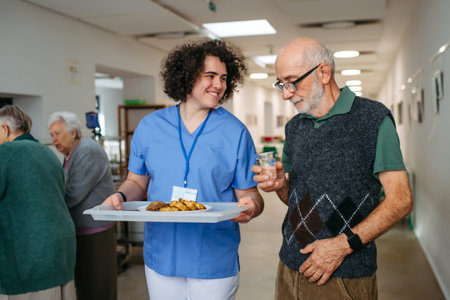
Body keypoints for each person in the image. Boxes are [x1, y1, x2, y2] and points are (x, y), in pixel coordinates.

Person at [252, 37, 413, 300]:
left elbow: (401, 200)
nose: (286, 93)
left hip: (342, 273)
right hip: (289, 265)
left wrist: (341, 246)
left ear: (324, 72)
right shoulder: (294, 128)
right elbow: (297, 203)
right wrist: (282, 186)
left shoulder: (373, 120)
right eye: (281, 84)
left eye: (292, 82)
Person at [103, 39, 264, 300]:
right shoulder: (150, 127)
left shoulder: (235, 133)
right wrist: (120, 197)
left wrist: (251, 206)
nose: (219, 85)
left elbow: (250, 194)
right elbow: (136, 182)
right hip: (162, 253)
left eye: (224, 78)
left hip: (213, 254)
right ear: (187, 76)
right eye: (210, 76)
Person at [0, 105, 76, 299]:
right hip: (61, 250)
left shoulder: (6, 152)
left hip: (31, 254)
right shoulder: (47, 152)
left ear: (4, 129)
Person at [48, 111, 117, 300]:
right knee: (85, 285)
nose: (54, 139)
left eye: (57, 133)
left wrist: (48, 210)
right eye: (51, 135)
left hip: (95, 231)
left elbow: (73, 193)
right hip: (82, 230)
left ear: (73, 132)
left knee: (98, 285)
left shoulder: (87, 150)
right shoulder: (71, 153)